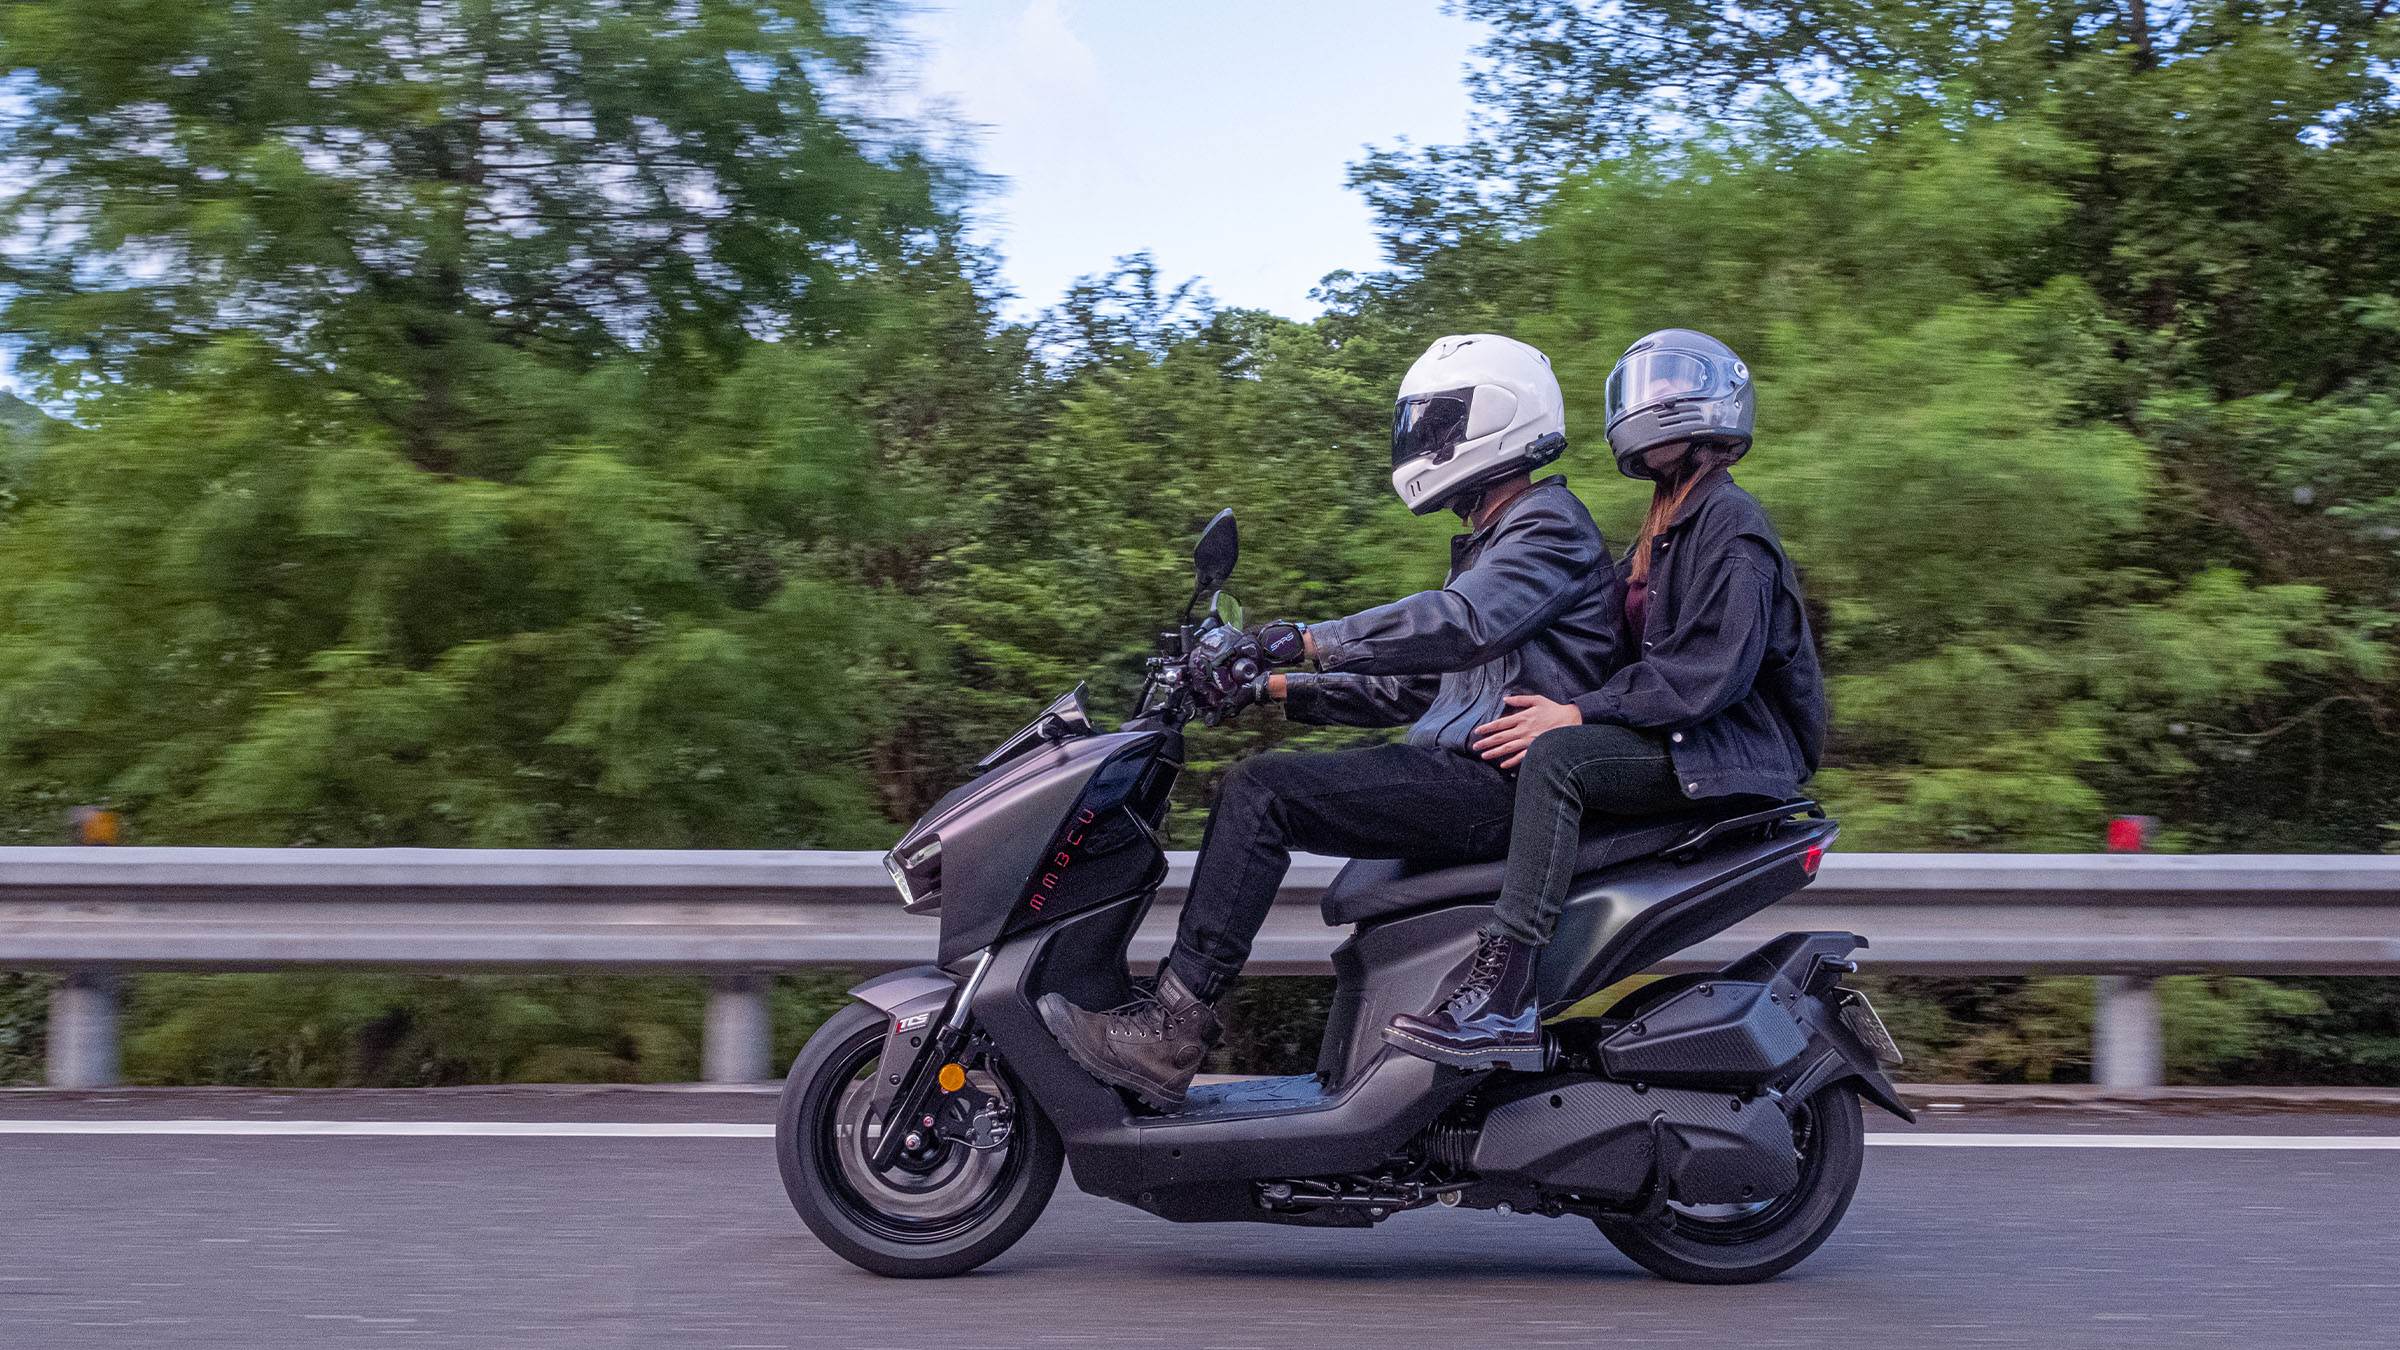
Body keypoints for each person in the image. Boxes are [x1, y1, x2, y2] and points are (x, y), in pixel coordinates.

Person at [1038, 333, 1626, 1110]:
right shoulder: (1497, 542)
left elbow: (1458, 625)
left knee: (1260, 794)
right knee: (1267, 789)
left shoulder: (1548, 529)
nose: (1421, 441)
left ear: (1497, 421)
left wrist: (1303, 639)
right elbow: (1417, 691)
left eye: (1437, 424)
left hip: (1503, 784)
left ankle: (1172, 1031)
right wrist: (1271, 686)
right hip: (1470, 772)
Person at [1383, 328, 1827, 1070]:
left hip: (1731, 749)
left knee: (1560, 759)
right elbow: (1620, 650)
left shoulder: (1731, 524)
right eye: (1643, 386)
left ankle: (1505, 995)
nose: (1649, 400)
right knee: (1538, 748)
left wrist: (1578, 713)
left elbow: (1707, 674)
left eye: (1668, 384)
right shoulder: (1666, 525)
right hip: (1687, 736)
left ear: (1715, 402)